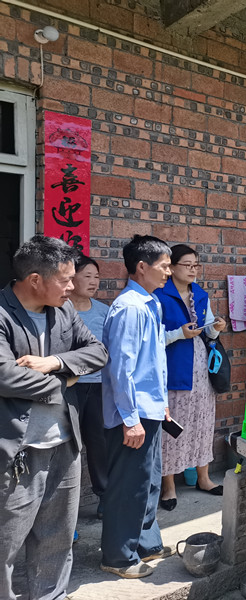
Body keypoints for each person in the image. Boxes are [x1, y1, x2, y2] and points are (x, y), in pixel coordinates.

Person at [0, 235, 108, 600]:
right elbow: (4, 376)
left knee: (58, 538)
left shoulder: (63, 311)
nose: (72, 286)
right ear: (35, 280)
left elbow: (97, 352)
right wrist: (67, 380)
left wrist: (56, 363)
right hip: (17, 451)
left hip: (65, 442)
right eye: (65, 279)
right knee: (6, 543)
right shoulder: (1, 313)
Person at [100, 235, 175, 579]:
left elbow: (152, 363)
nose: (168, 272)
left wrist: (163, 406)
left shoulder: (150, 303)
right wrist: (131, 419)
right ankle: (118, 556)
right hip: (133, 413)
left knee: (147, 481)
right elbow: (121, 368)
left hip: (149, 408)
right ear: (141, 267)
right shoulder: (130, 307)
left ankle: (145, 542)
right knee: (129, 485)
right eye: (164, 266)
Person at [153, 244, 227, 510]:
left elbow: (208, 335)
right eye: (188, 265)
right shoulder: (159, 296)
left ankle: (204, 478)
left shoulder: (200, 294)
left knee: (202, 423)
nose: (193, 270)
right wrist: (178, 334)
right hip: (174, 368)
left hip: (200, 368)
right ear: (171, 267)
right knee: (172, 430)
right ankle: (169, 486)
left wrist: (216, 329)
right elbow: (151, 339)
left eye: (196, 264)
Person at [70, 253, 110, 520]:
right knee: (68, 447)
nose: (94, 282)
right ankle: (65, 510)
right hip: (68, 388)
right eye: (87, 276)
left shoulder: (104, 311)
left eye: (96, 277)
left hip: (98, 388)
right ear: (71, 277)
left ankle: (105, 498)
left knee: (99, 445)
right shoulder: (58, 310)